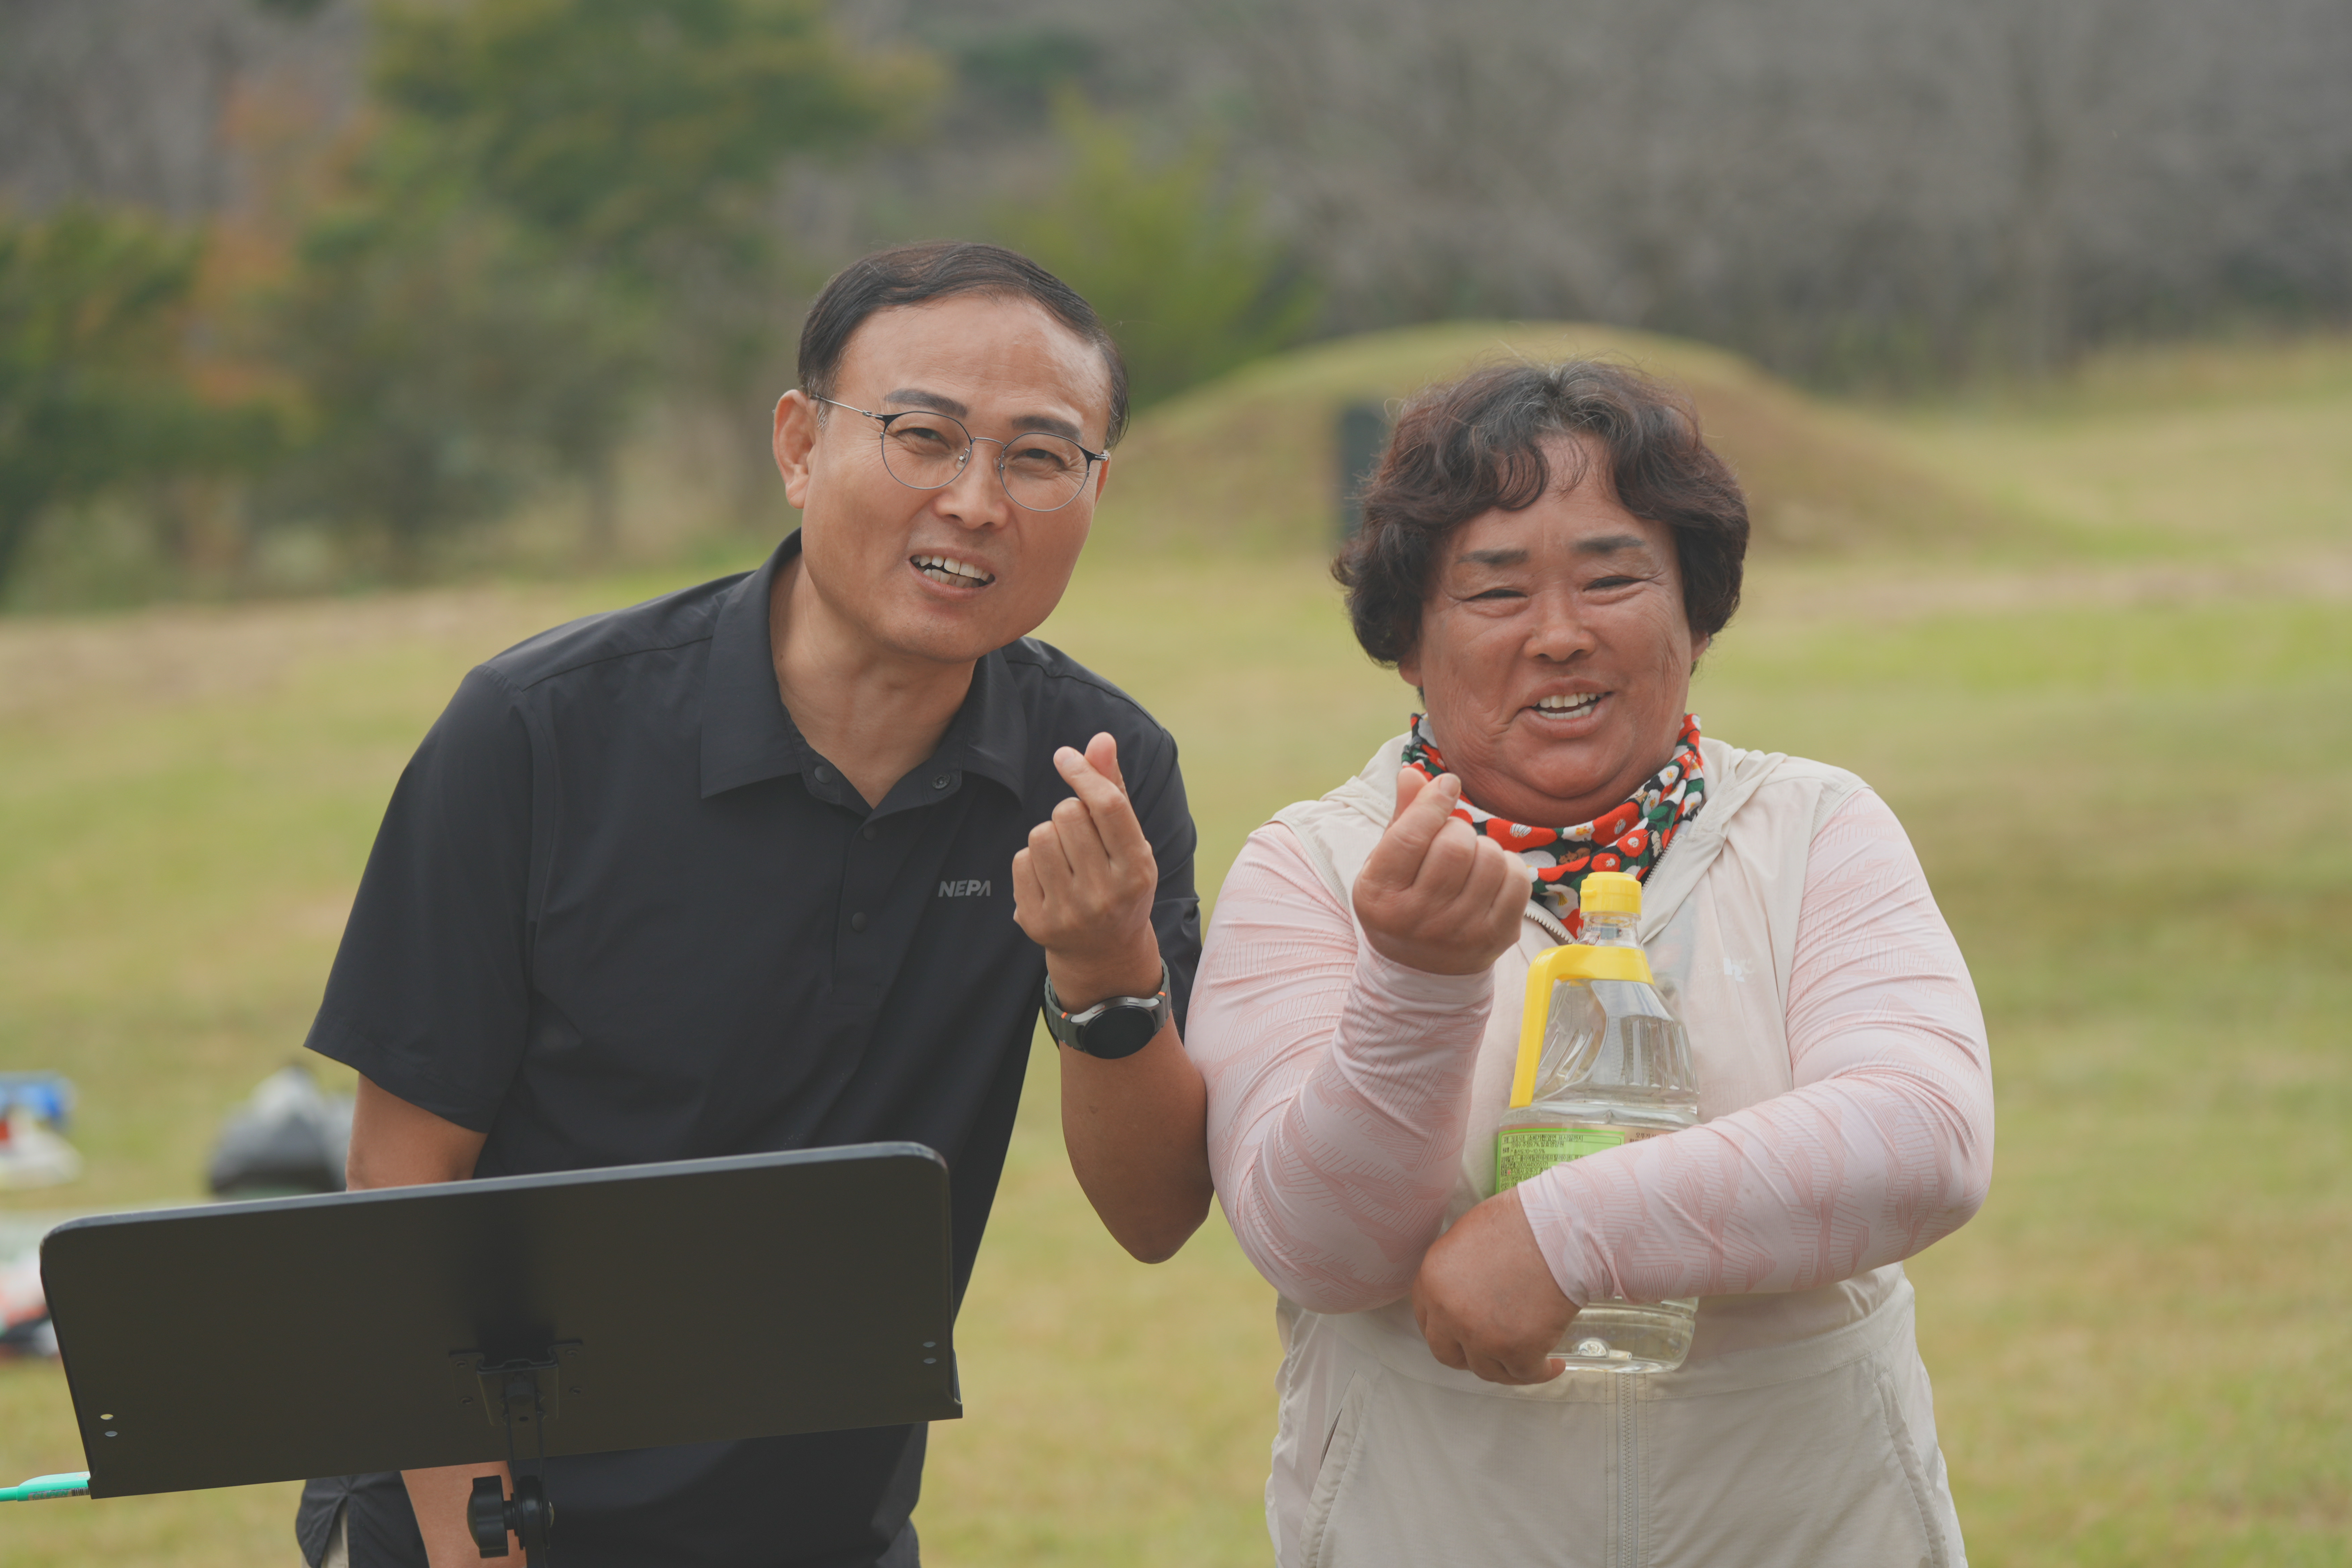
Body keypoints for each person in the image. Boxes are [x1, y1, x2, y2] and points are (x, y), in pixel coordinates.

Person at [293, 242, 1214, 1568]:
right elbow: (400, 1181)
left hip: (829, 1528)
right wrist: (475, 1546)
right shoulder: (539, 731)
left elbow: (1156, 1215)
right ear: (799, 445)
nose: (975, 502)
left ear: (1094, 488)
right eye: (922, 437)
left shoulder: (1095, 774)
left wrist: (1108, 967)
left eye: (1038, 457)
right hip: (481, 1515)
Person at [1184, 360, 1994, 1565]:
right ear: (1408, 641)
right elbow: (1319, 1246)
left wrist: (1561, 1235)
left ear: (1697, 617)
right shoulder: (1314, 869)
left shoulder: (1814, 829)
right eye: (1495, 592)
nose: (1561, 636)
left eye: (1614, 580)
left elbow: (1924, 1138)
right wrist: (1417, 983)